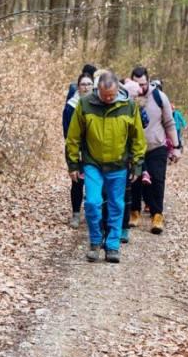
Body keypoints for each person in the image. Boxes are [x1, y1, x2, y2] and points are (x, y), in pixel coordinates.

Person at [66, 70, 146, 263]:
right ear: (98, 90)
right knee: (93, 203)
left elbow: (138, 138)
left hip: (118, 165)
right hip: (93, 163)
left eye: (111, 95)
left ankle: (112, 246)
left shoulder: (129, 106)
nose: (108, 99)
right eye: (104, 95)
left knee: (116, 205)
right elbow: (73, 137)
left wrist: (137, 165)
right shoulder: (85, 104)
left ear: (117, 90)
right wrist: (73, 164)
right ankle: (95, 242)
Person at [129, 66, 181, 234]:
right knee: (134, 181)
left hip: (156, 146)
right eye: (137, 84)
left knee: (157, 180)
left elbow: (169, 123)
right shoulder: (126, 98)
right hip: (134, 148)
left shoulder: (160, 97)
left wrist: (177, 147)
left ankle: (157, 215)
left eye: (143, 84)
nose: (140, 88)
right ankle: (134, 212)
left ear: (149, 81)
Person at [62, 73, 94, 228]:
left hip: (94, 150)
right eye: (83, 84)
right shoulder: (71, 105)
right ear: (78, 87)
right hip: (76, 149)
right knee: (77, 182)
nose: (86, 87)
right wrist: (75, 151)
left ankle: (92, 214)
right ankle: (75, 214)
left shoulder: (97, 103)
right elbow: (67, 132)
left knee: (94, 182)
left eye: (89, 84)